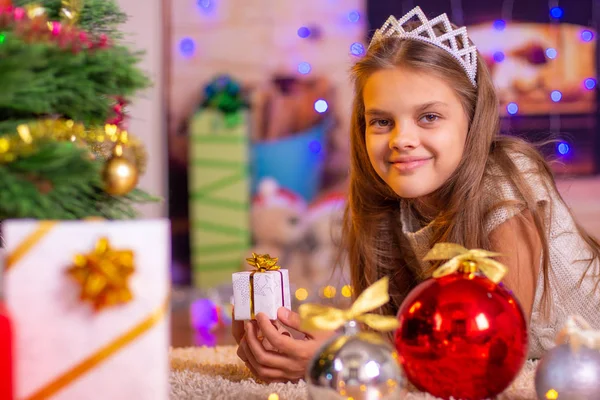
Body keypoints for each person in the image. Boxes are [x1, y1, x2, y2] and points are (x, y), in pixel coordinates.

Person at [232, 6, 600, 382]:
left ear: (473, 122)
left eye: (429, 117)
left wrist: (341, 356)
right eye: (382, 121)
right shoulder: (393, 202)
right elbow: (402, 336)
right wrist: (291, 343)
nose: (401, 140)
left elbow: (491, 351)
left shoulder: (508, 182)